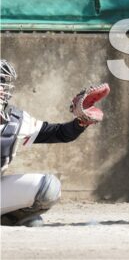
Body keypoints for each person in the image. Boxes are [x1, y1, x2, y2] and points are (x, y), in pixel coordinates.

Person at [0, 59, 106, 226]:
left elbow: (60, 133)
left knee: (49, 187)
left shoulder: (15, 120)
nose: (1, 88)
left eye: (2, 82)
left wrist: (81, 121)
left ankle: (7, 218)